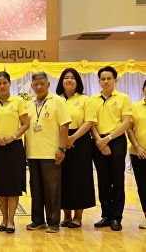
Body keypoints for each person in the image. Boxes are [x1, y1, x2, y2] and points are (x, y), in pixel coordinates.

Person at [26, 71, 71, 233]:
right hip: (32, 153)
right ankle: (37, 220)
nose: (39, 87)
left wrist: (61, 148)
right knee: (36, 189)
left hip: (51, 153)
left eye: (42, 84)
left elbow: (64, 125)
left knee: (52, 189)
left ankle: (53, 222)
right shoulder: (29, 104)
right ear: (32, 86)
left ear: (48, 84)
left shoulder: (57, 101)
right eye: (36, 84)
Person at [90, 66, 132, 231]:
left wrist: (107, 139)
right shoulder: (93, 99)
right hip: (98, 141)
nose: (106, 81)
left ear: (116, 80)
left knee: (117, 179)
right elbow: (91, 122)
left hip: (116, 140)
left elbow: (126, 122)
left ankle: (116, 217)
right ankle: (105, 215)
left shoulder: (123, 98)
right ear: (99, 81)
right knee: (103, 180)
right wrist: (99, 141)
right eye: (102, 79)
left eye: (109, 78)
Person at [0, 71, 29, 234]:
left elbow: (25, 124)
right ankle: (3, 219)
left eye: (5, 82)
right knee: (0, 186)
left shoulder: (18, 101)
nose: (2, 86)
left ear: (9, 84)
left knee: (13, 186)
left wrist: (13, 137)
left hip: (14, 148)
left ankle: (11, 220)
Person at [55, 68, 97, 228]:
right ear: (61, 81)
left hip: (80, 142)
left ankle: (78, 217)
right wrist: (63, 140)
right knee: (63, 179)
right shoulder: (56, 99)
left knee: (80, 179)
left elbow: (89, 121)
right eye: (66, 77)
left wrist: (73, 137)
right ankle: (66, 216)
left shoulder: (85, 100)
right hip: (60, 141)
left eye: (73, 78)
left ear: (77, 81)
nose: (69, 80)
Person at [127, 80, 146, 229]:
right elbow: (129, 129)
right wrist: (137, 147)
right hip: (139, 153)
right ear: (143, 89)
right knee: (143, 186)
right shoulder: (134, 107)